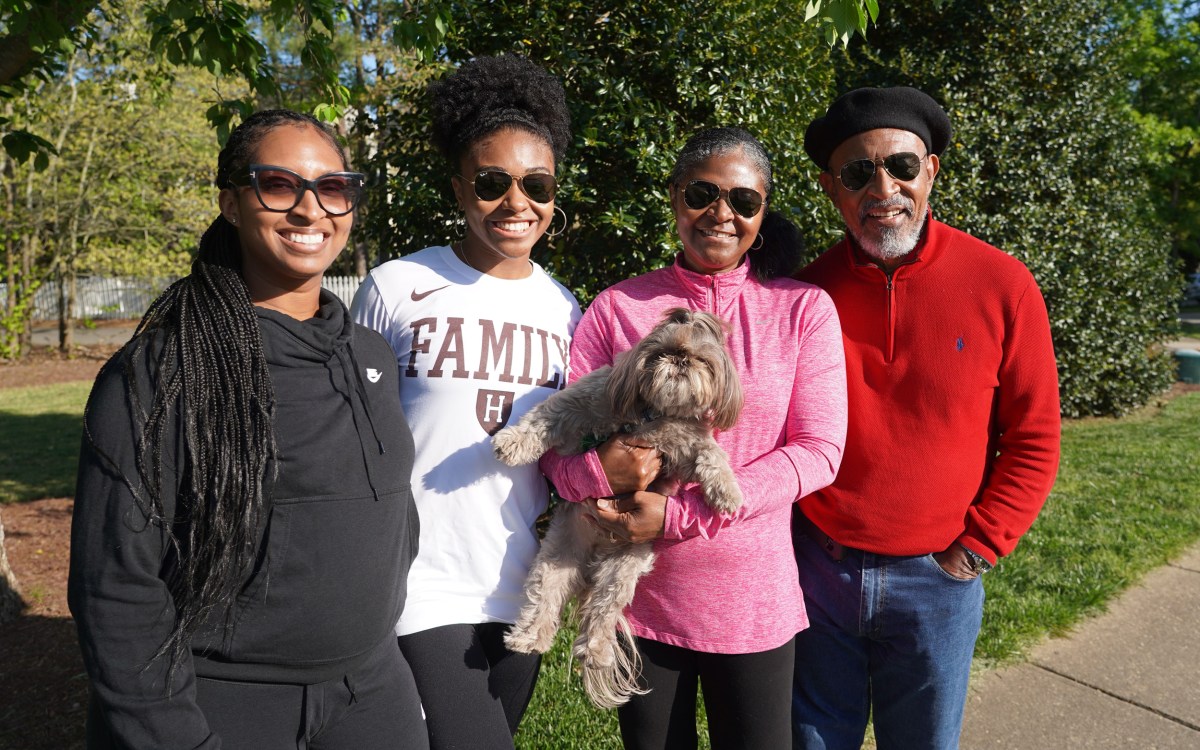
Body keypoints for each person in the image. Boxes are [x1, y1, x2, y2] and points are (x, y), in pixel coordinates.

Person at [68, 110, 428, 749]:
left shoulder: (370, 354)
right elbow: (115, 586)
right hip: (224, 701)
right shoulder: (163, 370)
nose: (310, 210)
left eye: (334, 188)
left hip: (371, 691)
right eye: (280, 185)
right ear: (231, 204)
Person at [542, 126, 847, 750]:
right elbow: (560, 455)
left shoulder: (802, 311)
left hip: (752, 604)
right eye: (703, 192)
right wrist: (606, 478)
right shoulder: (619, 308)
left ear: (763, 212)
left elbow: (818, 452)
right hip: (642, 604)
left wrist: (678, 516)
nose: (722, 214)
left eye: (744, 201)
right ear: (676, 195)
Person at [791, 86, 1062, 750]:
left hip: (938, 581)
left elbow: (1034, 436)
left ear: (931, 170)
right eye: (859, 172)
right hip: (819, 574)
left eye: (902, 166)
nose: (884, 187)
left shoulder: (1002, 284)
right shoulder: (802, 295)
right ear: (833, 189)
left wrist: (975, 550)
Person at [350, 54, 580, 749]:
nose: (517, 203)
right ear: (459, 188)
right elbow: (352, 435)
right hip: (417, 579)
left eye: (535, 184)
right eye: (492, 182)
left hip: (517, 585)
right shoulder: (396, 286)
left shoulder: (565, 309)